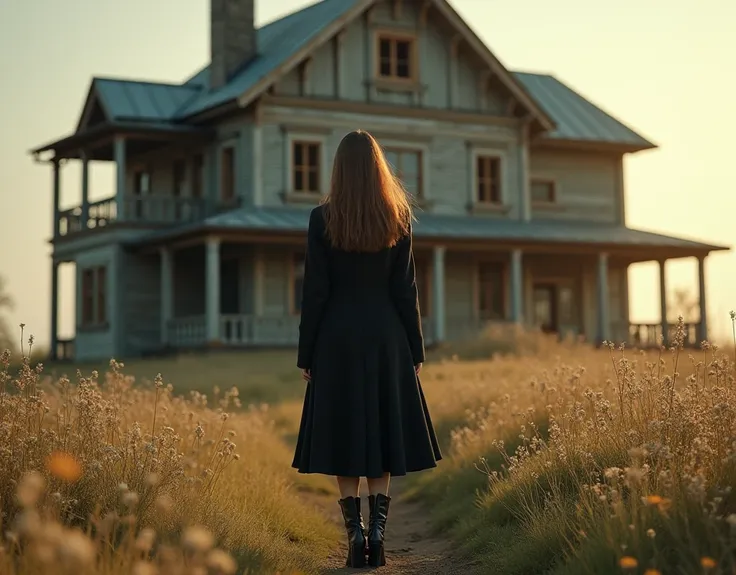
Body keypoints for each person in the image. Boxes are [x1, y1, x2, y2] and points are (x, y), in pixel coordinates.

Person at [292, 130, 442, 568]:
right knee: (381, 430)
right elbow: (406, 291)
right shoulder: (398, 216)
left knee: (344, 433)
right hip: (387, 338)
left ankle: (355, 537)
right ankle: (379, 533)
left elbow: (315, 292)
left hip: (336, 339)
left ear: (338, 170)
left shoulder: (322, 218)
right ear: (379, 167)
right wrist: (416, 350)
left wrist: (307, 353)